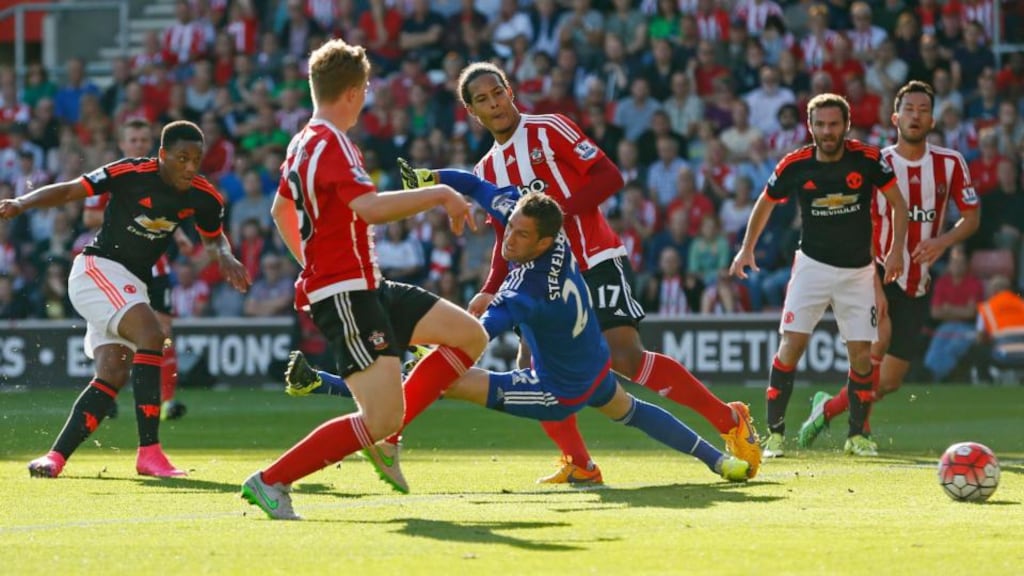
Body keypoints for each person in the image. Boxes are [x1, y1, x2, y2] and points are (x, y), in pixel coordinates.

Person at [284, 177, 752, 489]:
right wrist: (431, 178)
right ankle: (717, 460)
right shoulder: (547, 227)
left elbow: (478, 335)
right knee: (630, 410)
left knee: (444, 376)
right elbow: (478, 186)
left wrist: (444, 332)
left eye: (521, 237)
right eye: (510, 230)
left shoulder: (527, 293)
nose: (509, 240)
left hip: (558, 391)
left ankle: (358, 411)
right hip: (593, 365)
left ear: (544, 241)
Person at [451, 61, 761, 482]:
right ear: (472, 112)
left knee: (625, 357)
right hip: (542, 281)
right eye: (482, 100)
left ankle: (729, 420)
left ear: (510, 90)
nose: (495, 103)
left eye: (498, 92)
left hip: (593, 259)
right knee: (537, 376)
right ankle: (580, 464)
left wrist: (555, 216)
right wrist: (491, 288)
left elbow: (608, 176)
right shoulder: (485, 171)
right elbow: (508, 239)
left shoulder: (549, 129)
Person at [240, 39, 488, 520]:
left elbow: (279, 210)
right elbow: (370, 210)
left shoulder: (302, 141)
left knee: (468, 335)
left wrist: (309, 263)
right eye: (367, 88)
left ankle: (385, 439)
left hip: (363, 284)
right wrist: (440, 193)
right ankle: (272, 481)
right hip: (346, 294)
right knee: (378, 417)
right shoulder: (332, 143)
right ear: (354, 93)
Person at [1, 120, 251, 478]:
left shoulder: (204, 195)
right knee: (152, 335)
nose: (191, 167)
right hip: (96, 269)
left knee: (113, 374)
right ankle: (149, 452)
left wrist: (224, 254)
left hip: (131, 283)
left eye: (197, 159)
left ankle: (54, 458)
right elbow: (73, 189)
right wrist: (22, 202)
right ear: (162, 155)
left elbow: (214, 237)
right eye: (182, 158)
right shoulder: (131, 171)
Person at [797, 81, 980, 450]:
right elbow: (857, 221)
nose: (916, 115)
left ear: (932, 119)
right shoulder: (876, 163)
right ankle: (859, 436)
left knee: (891, 380)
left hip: (918, 281)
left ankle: (826, 409)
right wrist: (874, 283)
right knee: (875, 347)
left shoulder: (950, 163)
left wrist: (942, 242)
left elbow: (972, 218)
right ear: (896, 117)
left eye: (923, 110)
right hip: (874, 268)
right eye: (909, 109)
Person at [730, 93, 909, 458]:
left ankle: (856, 436)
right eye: (820, 124)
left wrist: (894, 252)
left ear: (846, 125)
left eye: (833, 124)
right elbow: (765, 201)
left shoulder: (868, 159)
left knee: (861, 356)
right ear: (809, 127)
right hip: (811, 266)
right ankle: (775, 436)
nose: (827, 132)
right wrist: (747, 247)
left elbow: (898, 205)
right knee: (791, 347)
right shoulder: (796, 163)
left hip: (858, 270)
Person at [83, 118, 193, 421]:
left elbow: (173, 217)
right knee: (118, 335)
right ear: (122, 144)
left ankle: (167, 402)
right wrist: (128, 214)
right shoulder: (113, 177)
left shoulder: (166, 177)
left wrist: (180, 237)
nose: (139, 145)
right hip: (118, 267)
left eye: (144, 140)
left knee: (164, 332)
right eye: (133, 140)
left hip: (157, 268)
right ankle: (108, 394)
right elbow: (89, 217)